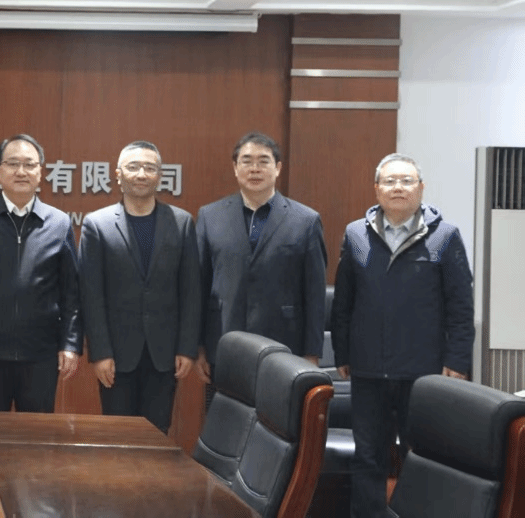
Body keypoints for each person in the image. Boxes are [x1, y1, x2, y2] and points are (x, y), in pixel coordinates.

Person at [331, 153, 474, 518]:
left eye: (406, 181)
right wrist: (342, 353)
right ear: (376, 188)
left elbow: (461, 306)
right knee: (368, 455)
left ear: (421, 188)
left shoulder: (444, 236)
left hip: (424, 371)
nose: (398, 187)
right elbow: (344, 302)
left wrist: (457, 361)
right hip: (368, 368)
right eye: (390, 181)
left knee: (422, 455)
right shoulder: (356, 234)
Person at [0, 133, 81, 413]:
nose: (21, 171)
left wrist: (70, 343)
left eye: (29, 164)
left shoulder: (58, 223)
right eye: (13, 163)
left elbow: (71, 291)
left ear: (41, 172)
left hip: (41, 355)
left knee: (36, 434)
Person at [78, 140, 201, 433]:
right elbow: (91, 295)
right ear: (118, 174)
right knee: (117, 434)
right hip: (116, 355)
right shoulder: (97, 224)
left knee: (158, 434)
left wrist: (187, 348)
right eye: (133, 167)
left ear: (160, 175)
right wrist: (100, 352)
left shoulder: (181, 222)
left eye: (149, 167)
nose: (141, 174)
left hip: (164, 354)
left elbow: (191, 291)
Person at [195, 132, 327, 384]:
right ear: (235, 168)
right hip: (223, 341)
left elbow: (314, 292)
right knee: (224, 408)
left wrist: (312, 353)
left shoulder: (305, 220)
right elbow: (199, 286)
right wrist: (198, 346)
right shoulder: (210, 216)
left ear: (277, 168)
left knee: (278, 409)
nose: (255, 168)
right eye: (246, 161)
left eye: (263, 161)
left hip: (285, 345)